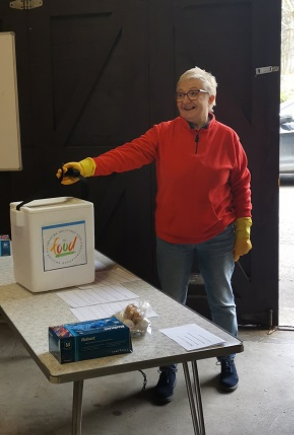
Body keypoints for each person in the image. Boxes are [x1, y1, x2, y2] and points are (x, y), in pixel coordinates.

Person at [58, 67, 252, 405]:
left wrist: (243, 227)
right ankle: (168, 369)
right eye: (180, 93)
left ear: (211, 98)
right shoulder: (163, 133)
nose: (185, 99)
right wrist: (88, 166)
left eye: (194, 92)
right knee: (171, 304)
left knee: (222, 301)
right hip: (173, 237)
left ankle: (226, 360)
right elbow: (127, 154)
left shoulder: (228, 138)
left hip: (217, 234)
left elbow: (241, 185)